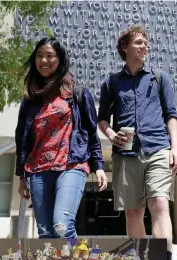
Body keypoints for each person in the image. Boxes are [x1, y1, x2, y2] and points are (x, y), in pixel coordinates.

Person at [97, 25, 177, 260]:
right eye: (138, 42)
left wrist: (175, 148)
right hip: (125, 154)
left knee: (160, 204)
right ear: (125, 47)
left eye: (145, 42)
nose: (145, 46)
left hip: (158, 148)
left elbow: (171, 114)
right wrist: (112, 135)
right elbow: (101, 118)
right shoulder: (111, 83)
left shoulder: (159, 78)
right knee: (133, 212)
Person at [14, 37, 108, 239]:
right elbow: (21, 137)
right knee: (46, 233)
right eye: (39, 56)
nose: (44, 61)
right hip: (38, 168)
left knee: (61, 225)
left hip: (72, 164)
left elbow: (91, 132)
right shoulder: (30, 97)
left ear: (60, 59)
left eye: (50, 56)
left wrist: (99, 166)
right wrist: (22, 176)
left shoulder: (77, 93)